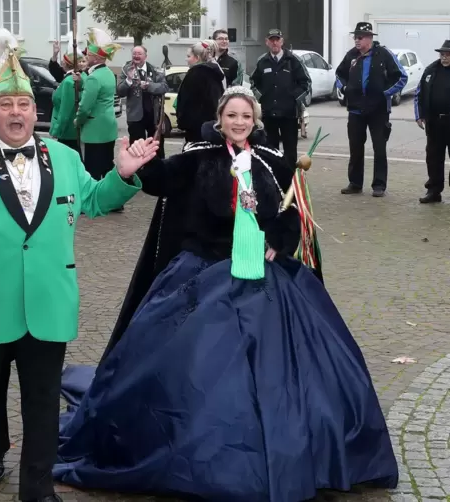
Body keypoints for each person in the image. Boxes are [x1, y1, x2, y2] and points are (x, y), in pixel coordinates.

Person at [53, 86, 399, 501]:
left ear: (255, 120)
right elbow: (161, 179)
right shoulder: (199, 156)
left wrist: (279, 240)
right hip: (204, 273)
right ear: (220, 118)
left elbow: (292, 216)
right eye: (231, 115)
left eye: (246, 117)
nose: (238, 123)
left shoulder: (274, 164)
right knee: (197, 361)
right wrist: (131, 169)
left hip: (266, 278)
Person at [0, 31, 151, 502]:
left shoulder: (63, 156)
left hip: (49, 300)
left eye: (24, 103)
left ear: (34, 110)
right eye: (6, 105)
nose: (17, 112)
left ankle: (38, 488)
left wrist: (123, 176)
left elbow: (94, 200)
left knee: (43, 401)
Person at [336, 22, 406, 197]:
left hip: (378, 111)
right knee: (356, 148)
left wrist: (385, 94)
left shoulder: (384, 54)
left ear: (369, 38)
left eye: (360, 37)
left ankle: (379, 185)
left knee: (379, 148)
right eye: (355, 37)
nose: (356, 40)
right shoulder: (351, 55)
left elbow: (401, 77)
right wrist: (345, 89)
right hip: (355, 110)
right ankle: (355, 183)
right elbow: (339, 74)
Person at [251, 29, 311, 176]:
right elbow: (253, 83)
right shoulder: (262, 61)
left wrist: (294, 98)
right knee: (270, 149)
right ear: (267, 42)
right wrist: (261, 97)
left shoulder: (293, 60)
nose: (274, 43)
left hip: (289, 115)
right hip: (268, 114)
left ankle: (290, 182)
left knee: (290, 151)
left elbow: (306, 83)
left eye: (277, 39)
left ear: (282, 41)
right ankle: (273, 179)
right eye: (271, 40)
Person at [76, 28, 120, 183]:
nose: (86, 56)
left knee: (93, 168)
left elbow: (85, 107)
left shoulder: (93, 78)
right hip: (108, 126)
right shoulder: (108, 73)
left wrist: (78, 121)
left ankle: (93, 202)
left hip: (95, 130)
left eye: (88, 54)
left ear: (96, 58)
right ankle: (115, 199)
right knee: (107, 165)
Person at [414, 40, 450, 203]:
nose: (444, 57)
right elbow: (420, 93)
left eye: (447, 54)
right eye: (442, 54)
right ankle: (434, 191)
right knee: (434, 157)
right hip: (434, 122)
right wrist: (420, 114)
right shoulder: (431, 70)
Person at [118, 46, 168, 159]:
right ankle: (137, 171)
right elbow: (120, 91)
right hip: (136, 116)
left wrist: (149, 86)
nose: (136, 56)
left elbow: (164, 87)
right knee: (136, 148)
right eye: (134, 53)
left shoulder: (155, 70)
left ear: (145, 56)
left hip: (153, 116)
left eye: (139, 54)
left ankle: (157, 171)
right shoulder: (126, 70)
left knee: (156, 147)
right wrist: (128, 81)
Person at [176, 40, 226, 143]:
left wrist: (182, 121)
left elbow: (185, 103)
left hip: (196, 127)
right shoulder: (215, 73)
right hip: (211, 126)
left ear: (197, 58)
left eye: (189, 56)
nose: (186, 59)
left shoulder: (195, 74)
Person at [50, 33, 85, 157]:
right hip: (73, 130)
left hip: (67, 131)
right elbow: (55, 71)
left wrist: (57, 130)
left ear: (65, 63)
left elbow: (65, 110)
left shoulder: (69, 81)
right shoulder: (79, 77)